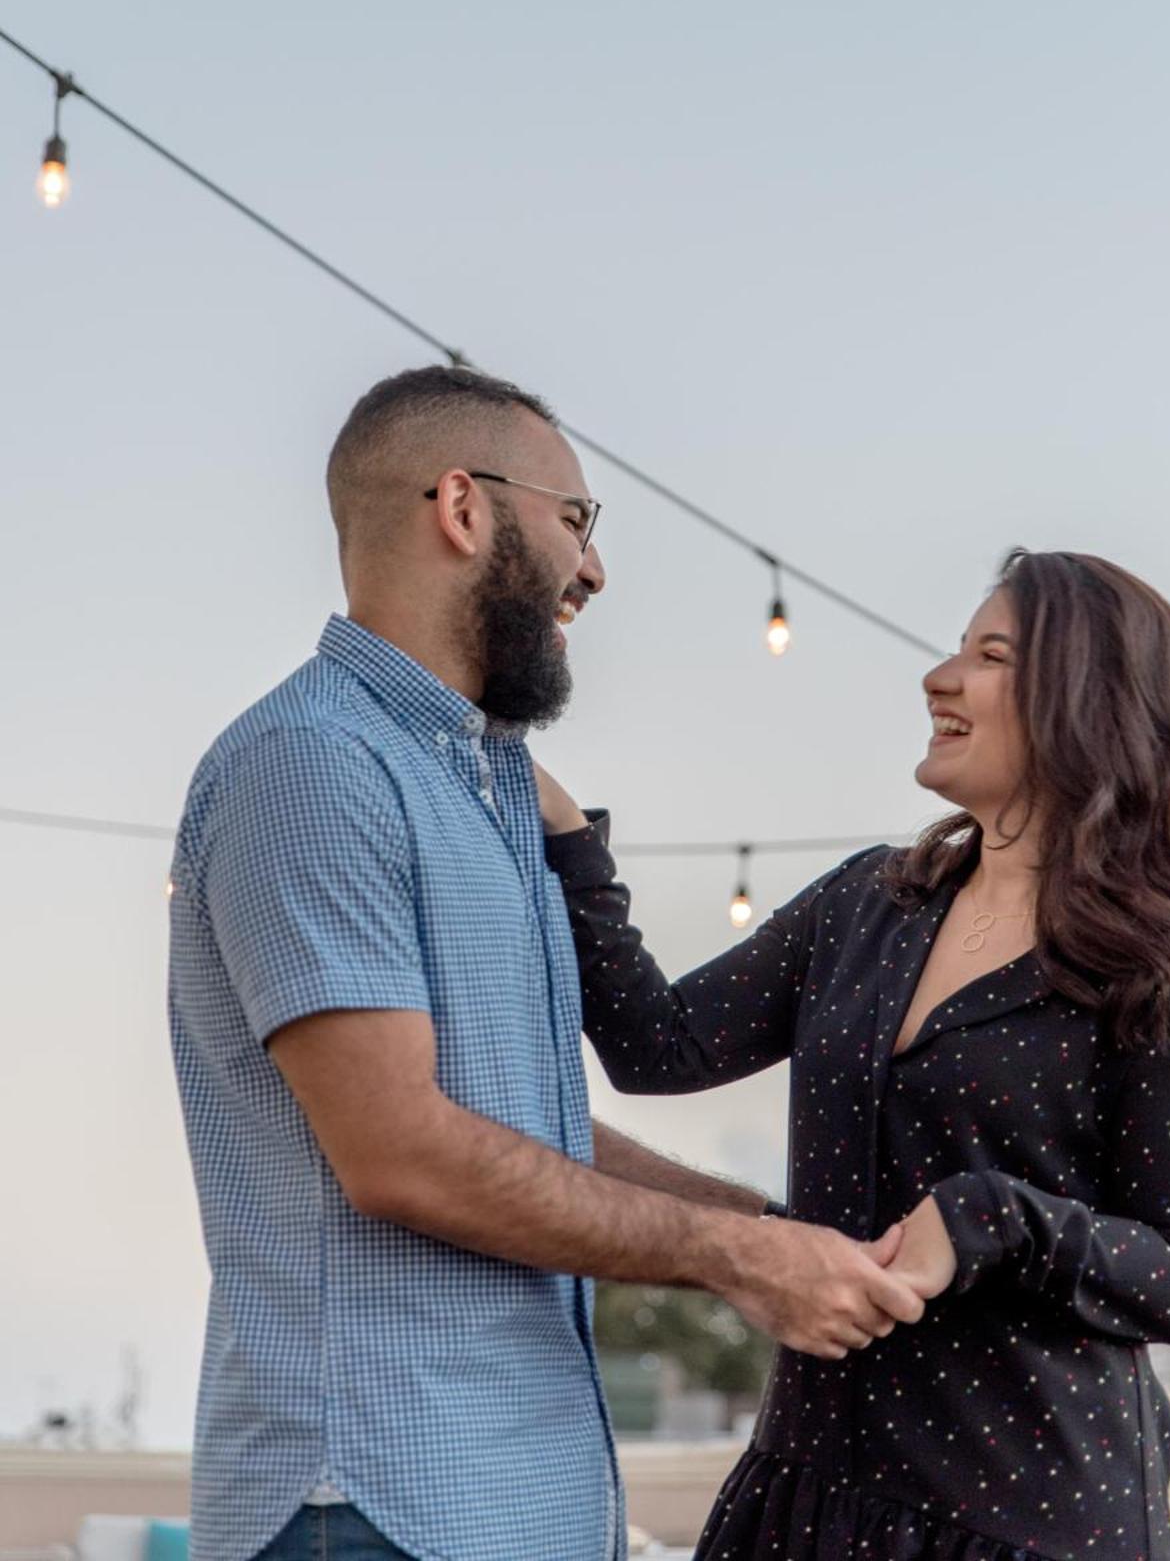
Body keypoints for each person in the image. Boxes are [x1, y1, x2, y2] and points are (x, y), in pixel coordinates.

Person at [167, 364, 923, 1561]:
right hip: (370, 1506)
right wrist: (737, 1256)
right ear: (463, 508)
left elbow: (533, 1124)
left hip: (521, 1501)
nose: (596, 569)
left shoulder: (492, 791)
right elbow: (403, 1153)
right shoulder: (314, 769)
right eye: (577, 519)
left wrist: (782, 1229)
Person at [538, 548, 1170, 1561]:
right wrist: (569, 839)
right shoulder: (869, 901)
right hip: (812, 1488)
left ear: (1090, 702)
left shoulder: (1167, 966)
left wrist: (994, 1216)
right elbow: (656, 1046)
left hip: (1025, 1519)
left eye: (990, 654)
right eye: (955, 647)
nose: (940, 676)